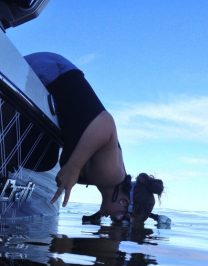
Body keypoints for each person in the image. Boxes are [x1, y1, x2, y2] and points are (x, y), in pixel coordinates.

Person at [24, 52, 164, 225]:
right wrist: (73, 167)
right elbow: (106, 123)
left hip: (50, 76)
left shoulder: (105, 180)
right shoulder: (111, 175)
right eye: (122, 220)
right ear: (124, 203)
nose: (115, 221)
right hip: (52, 73)